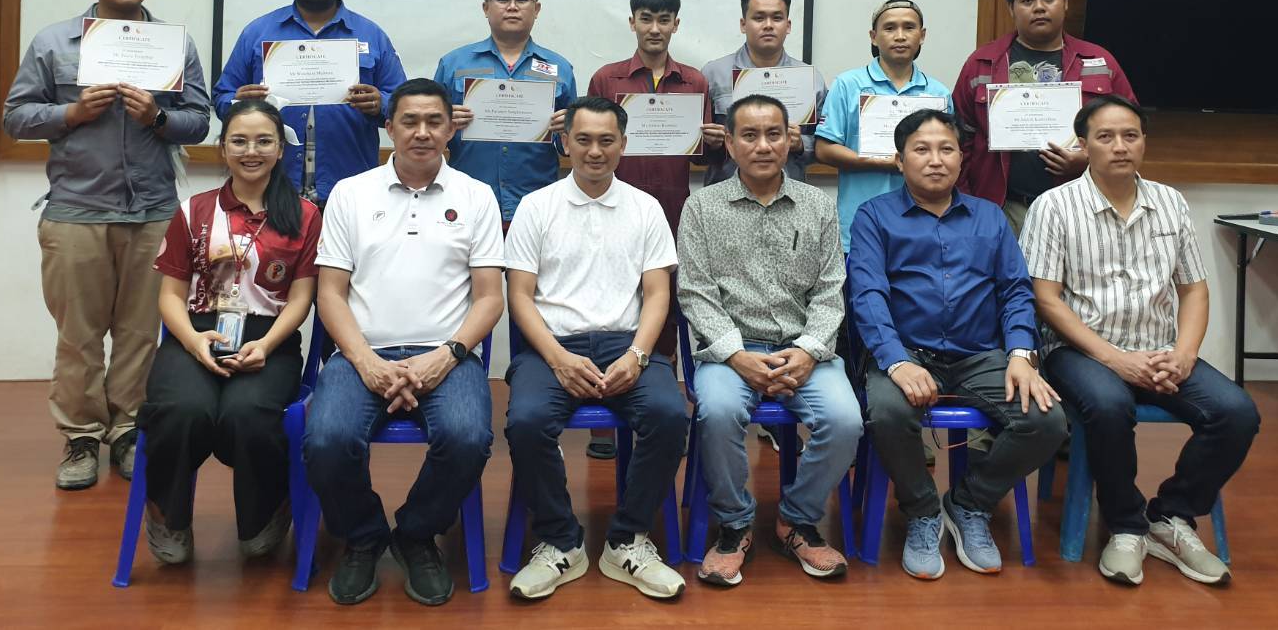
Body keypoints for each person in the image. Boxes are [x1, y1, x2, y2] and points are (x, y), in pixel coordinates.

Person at [3, 0, 210, 491]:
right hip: (76, 210)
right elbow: (15, 117)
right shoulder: (53, 43)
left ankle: (128, 430)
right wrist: (70, 114)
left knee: (142, 333)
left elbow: (199, 120)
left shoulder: (172, 45)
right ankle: (80, 436)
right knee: (79, 335)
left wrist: (158, 118)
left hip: (153, 213)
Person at [1023, 95, 1259, 587]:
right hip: (1080, 350)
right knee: (1109, 406)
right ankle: (1125, 525)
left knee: (1236, 413)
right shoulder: (1054, 206)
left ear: (1144, 142)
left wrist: (1185, 355)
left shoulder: (1170, 202)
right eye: (1105, 137)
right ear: (1083, 145)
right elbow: (1045, 299)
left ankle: (1171, 515)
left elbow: (1193, 289)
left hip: (1158, 348)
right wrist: (1115, 359)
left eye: (1130, 136)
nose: (1120, 146)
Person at [303, 78, 504, 608]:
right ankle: (364, 536)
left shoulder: (476, 196)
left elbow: (489, 299)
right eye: (409, 122)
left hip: (446, 354)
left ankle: (416, 534)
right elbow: (330, 293)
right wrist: (365, 360)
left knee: (467, 438)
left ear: (451, 129)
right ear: (389, 127)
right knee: (326, 441)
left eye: (434, 122)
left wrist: (448, 355)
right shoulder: (351, 193)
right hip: (360, 353)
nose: (422, 132)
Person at [847, 108, 1066, 580]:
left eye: (946, 149)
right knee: (887, 412)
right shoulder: (874, 217)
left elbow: (1015, 292)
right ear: (900, 159)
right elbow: (867, 295)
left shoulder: (989, 217)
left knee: (1046, 421)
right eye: (921, 150)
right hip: (906, 353)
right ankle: (922, 511)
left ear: (962, 158)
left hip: (979, 355)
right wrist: (896, 361)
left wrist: (1021, 355)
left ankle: (968, 503)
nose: (935, 160)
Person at [502, 97, 689, 600]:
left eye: (607, 140)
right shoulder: (536, 206)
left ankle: (627, 540)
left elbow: (658, 294)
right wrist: (557, 358)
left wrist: (638, 355)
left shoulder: (645, 208)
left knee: (670, 416)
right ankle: (561, 541)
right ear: (565, 143)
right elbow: (519, 296)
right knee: (526, 422)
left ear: (623, 145)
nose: (595, 151)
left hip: (627, 344)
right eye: (583, 140)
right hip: (552, 347)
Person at [677, 94, 862, 587]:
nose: (763, 146)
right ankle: (735, 523)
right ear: (730, 144)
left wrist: (808, 351)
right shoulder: (701, 207)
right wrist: (737, 355)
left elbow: (831, 291)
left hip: (804, 350)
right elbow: (694, 293)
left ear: (789, 140)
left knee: (846, 420)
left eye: (774, 134)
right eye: (750, 135)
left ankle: (796, 519)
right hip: (730, 352)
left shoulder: (818, 206)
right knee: (717, 412)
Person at [137, 100, 320, 565]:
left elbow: (301, 299)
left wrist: (267, 344)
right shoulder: (193, 210)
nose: (250, 151)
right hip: (196, 331)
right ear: (223, 148)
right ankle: (167, 517)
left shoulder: (305, 215)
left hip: (269, 336)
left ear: (281, 150)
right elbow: (170, 296)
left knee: (247, 415)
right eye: (239, 140)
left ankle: (264, 514)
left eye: (263, 141)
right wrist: (192, 341)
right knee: (181, 410)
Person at [214, 0, 406, 205]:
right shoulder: (257, 33)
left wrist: (380, 104)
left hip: (350, 190)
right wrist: (239, 103)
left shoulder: (371, 35)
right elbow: (222, 98)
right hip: (273, 190)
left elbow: (404, 105)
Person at [954, 0, 1134, 236]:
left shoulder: (1099, 62)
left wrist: (1089, 159)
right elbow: (959, 141)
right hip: (1003, 209)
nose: (1039, 7)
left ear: (1065, 3)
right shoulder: (981, 63)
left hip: (1081, 207)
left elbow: (1130, 132)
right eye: (1027, 0)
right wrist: (969, 206)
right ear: (1011, 8)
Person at [433, 0, 576, 229]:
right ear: (486, 8)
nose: (512, 6)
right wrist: (443, 123)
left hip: (537, 203)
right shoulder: (453, 64)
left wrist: (567, 128)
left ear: (536, 9)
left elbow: (569, 146)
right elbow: (429, 134)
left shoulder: (560, 69)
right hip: (467, 201)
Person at [814, 0, 952, 254]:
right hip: (859, 224)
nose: (900, 36)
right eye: (889, 28)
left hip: (924, 225)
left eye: (909, 27)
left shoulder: (938, 93)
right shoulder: (847, 85)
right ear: (874, 37)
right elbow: (824, 149)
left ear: (922, 36)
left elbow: (948, 155)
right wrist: (882, 162)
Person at [587, 0, 722, 237]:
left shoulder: (694, 82)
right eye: (646, 19)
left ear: (676, 24)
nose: (655, 29)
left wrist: (714, 144)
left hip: (674, 206)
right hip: (614, 205)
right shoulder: (606, 79)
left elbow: (700, 158)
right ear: (632, 22)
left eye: (664, 20)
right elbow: (591, 148)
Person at [702, 0, 826, 187]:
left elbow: (825, 143)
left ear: (788, 25)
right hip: (724, 194)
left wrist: (801, 144)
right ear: (743, 24)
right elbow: (695, 145)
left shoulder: (812, 79)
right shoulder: (713, 74)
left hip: (789, 195)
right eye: (759, 18)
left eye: (777, 18)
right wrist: (711, 142)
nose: (768, 25)